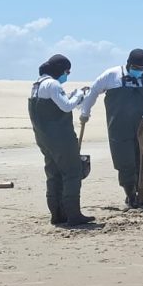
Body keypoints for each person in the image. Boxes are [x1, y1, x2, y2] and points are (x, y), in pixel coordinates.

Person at [80, 49, 143, 208]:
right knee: (124, 160)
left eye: (142, 69)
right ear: (128, 63)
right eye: (135, 68)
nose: (139, 71)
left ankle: (140, 189)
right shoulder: (111, 75)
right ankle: (130, 195)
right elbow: (93, 92)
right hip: (119, 127)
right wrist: (85, 112)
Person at [28, 54, 95, 226]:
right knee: (72, 172)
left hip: (44, 138)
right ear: (60, 70)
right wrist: (79, 94)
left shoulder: (36, 85)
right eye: (67, 71)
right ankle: (73, 215)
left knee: (53, 174)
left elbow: (60, 103)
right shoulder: (52, 84)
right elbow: (65, 106)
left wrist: (73, 96)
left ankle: (57, 214)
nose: (67, 75)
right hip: (61, 138)